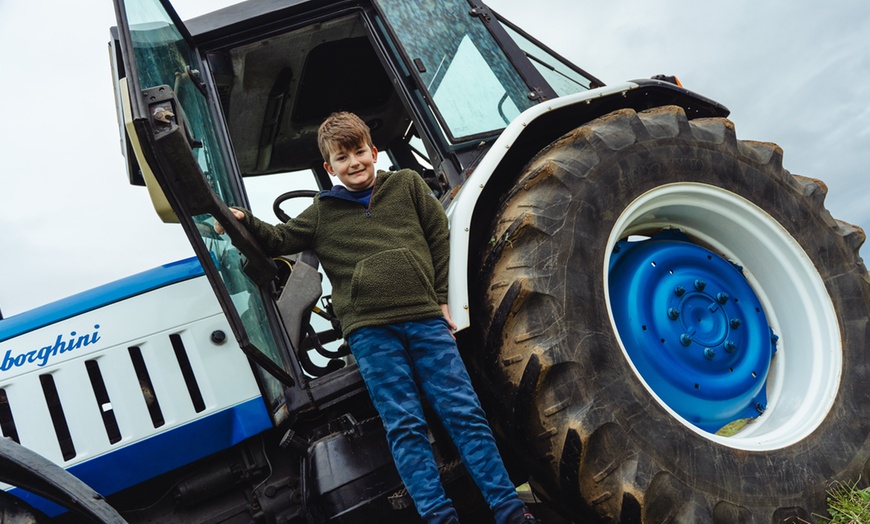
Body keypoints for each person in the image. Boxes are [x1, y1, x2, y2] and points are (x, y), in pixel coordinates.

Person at [216, 112, 540, 524]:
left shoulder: (406, 185)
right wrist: (242, 221)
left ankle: (510, 511)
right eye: (342, 157)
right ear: (329, 167)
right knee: (405, 426)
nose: (354, 163)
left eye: (359, 152)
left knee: (464, 412)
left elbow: (440, 237)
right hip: (371, 335)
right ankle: (441, 518)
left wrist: (441, 299)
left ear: (373, 151)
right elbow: (278, 240)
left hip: (425, 321)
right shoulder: (321, 213)